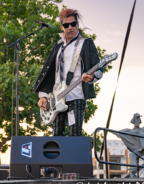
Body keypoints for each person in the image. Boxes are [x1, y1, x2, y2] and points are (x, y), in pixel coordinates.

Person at [32, 8, 103, 136]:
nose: (70, 27)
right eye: (66, 25)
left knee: (75, 135)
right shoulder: (58, 46)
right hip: (56, 98)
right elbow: (49, 72)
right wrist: (43, 95)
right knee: (57, 135)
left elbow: (98, 68)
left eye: (73, 24)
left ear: (78, 24)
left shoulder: (86, 44)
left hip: (76, 95)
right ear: (62, 27)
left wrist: (91, 77)